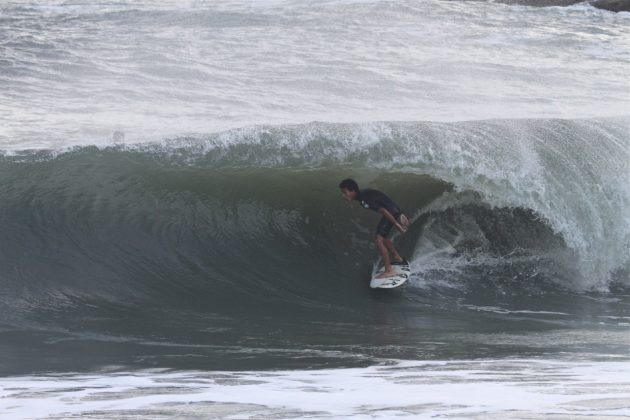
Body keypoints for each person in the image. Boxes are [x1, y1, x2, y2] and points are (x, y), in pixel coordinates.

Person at [339, 178, 409, 279]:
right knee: (383, 238)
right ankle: (398, 258)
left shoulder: (364, 200)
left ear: (353, 191)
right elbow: (384, 198)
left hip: (390, 213)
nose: (343, 195)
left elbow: (384, 211)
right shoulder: (364, 193)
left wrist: (396, 223)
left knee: (378, 240)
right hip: (393, 211)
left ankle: (388, 270)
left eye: (345, 192)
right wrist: (399, 212)